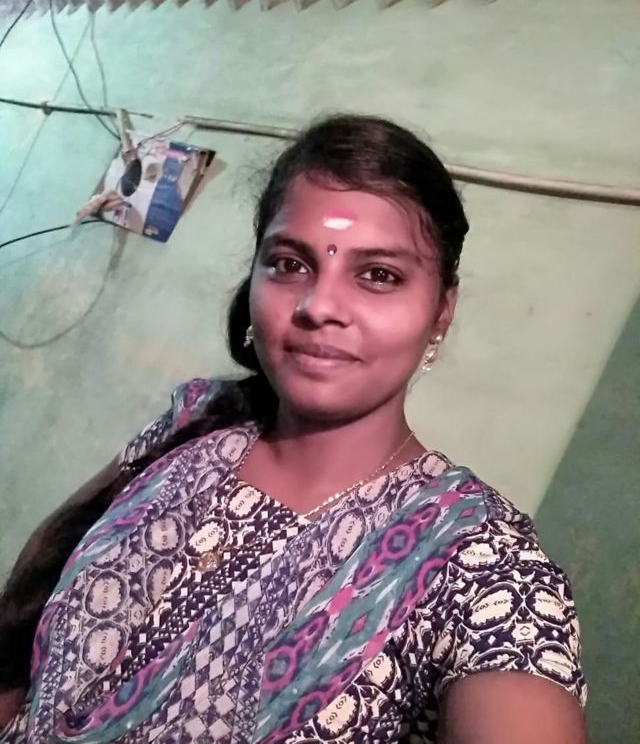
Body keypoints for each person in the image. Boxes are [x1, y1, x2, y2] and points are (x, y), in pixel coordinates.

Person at [0, 114, 587, 743]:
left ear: (442, 310)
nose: (318, 306)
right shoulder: (199, 419)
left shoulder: (479, 561)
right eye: (289, 263)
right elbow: (37, 593)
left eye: (379, 275)